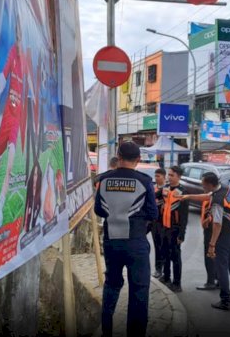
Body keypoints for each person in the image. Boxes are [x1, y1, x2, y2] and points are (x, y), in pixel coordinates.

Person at [94, 142, 158, 337]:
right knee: (139, 289)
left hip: (112, 241)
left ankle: (106, 330)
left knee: (112, 283)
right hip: (136, 243)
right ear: (138, 160)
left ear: (118, 156)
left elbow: (98, 210)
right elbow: (153, 213)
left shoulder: (103, 180)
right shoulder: (145, 181)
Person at [0, 17, 36, 235]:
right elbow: (2, 76)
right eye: (17, 31)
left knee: (8, 166)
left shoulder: (28, 58)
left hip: (18, 119)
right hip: (7, 116)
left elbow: (33, 90)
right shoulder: (14, 52)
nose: (19, 35)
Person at [184, 172, 230, 311]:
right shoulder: (225, 189)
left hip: (224, 236)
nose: (202, 186)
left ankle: (225, 300)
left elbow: (217, 224)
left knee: (221, 267)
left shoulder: (217, 201)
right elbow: (207, 197)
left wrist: (212, 245)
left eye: (203, 184)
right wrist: (188, 197)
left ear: (210, 184)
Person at [159, 166, 188, 293]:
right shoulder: (164, 188)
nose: (169, 177)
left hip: (175, 229)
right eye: (168, 175)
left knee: (175, 257)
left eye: (172, 175)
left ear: (179, 176)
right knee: (164, 253)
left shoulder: (183, 192)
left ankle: (177, 283)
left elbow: (184, 216)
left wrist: (182, 234)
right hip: (164, 227)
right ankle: (166, 278)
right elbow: (155, 196)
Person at [150, 168, 167, 279]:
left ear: (164, 177)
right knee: (157, 246)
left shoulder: (166, 189)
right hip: (154, 222)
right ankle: (158, 269)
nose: (156, 178)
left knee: (163, 246)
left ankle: (165, 271)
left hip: (164, 222)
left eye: (158, 176)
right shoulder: (153, 187)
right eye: (155, 176)